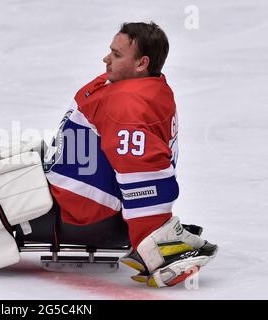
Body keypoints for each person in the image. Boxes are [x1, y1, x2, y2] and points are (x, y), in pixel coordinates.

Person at [44, 22, 217, 288]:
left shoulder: (128, 106)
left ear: (141, 63)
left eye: (116, 54)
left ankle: (157, 240)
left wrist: (154, 237)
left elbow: (141, 171)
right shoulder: (146, 87)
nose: (106, 58)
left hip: (86, 217)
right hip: (77, 200)